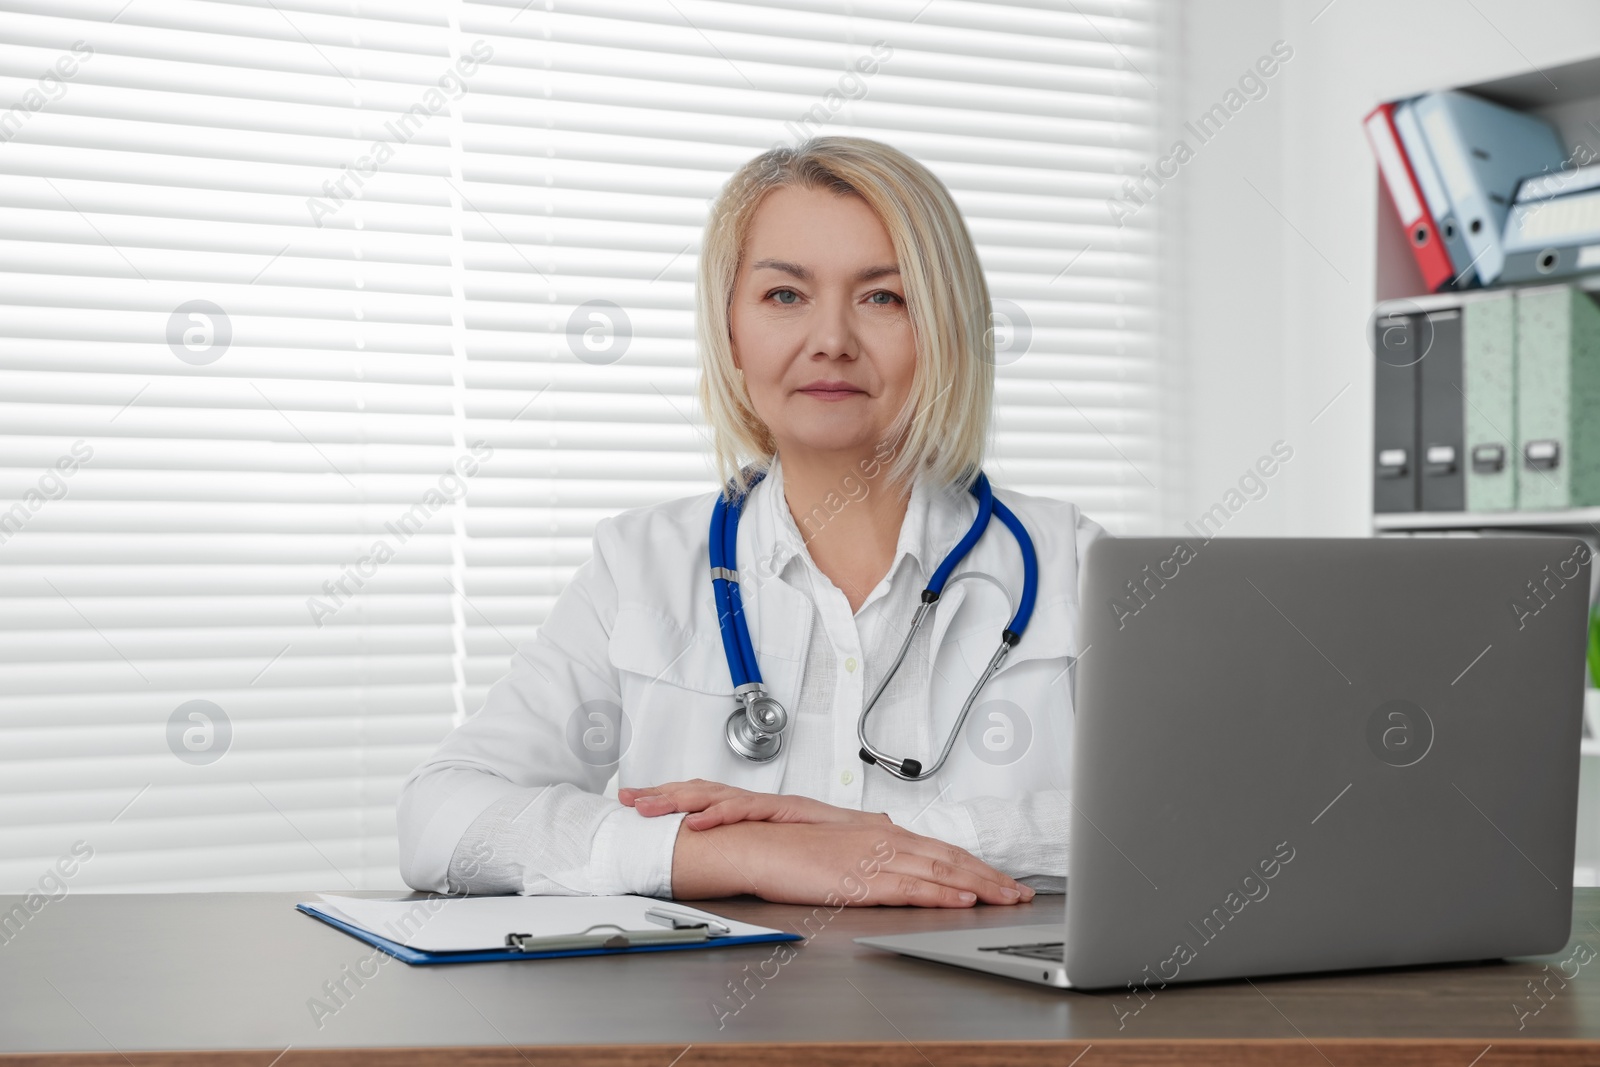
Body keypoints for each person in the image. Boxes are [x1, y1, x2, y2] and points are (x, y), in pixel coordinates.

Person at [397, 136, 1107, 908]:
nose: (831, 340)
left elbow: (1211, 817)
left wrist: (888, 839)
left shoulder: (1070, 563)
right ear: (729, 330)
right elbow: (437, 818)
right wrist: (738, 853)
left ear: (943, 329)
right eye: (784, 296)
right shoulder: (640, 565)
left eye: (883, 297)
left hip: (990, 1023)